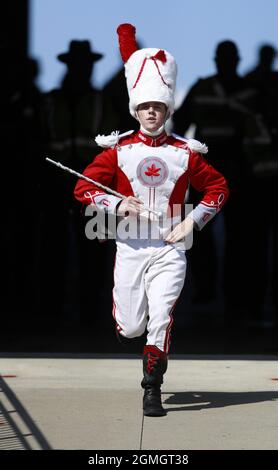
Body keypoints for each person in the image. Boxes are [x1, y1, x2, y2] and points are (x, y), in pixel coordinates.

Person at [74, 24, 229, 417]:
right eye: (145, 108)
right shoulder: (118, 150)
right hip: (129, 246)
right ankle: (132, 334)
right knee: (129, 327)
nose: (151, 113)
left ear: (167, 110)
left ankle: (151, 389)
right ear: (136, 110)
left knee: (161, 316)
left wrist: (193, 221)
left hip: (170, 247)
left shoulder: (185, 153)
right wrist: (116, 205)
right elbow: (83, 189)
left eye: (158, 108)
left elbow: (219, 188)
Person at [173, 41, 257, 317]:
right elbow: (182, 125)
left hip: (236, 173)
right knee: (200, 231)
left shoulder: (249, 92)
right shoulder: (239, 91)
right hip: (209, 172)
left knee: (238, 236)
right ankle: (210, 288)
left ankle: (230, 294)